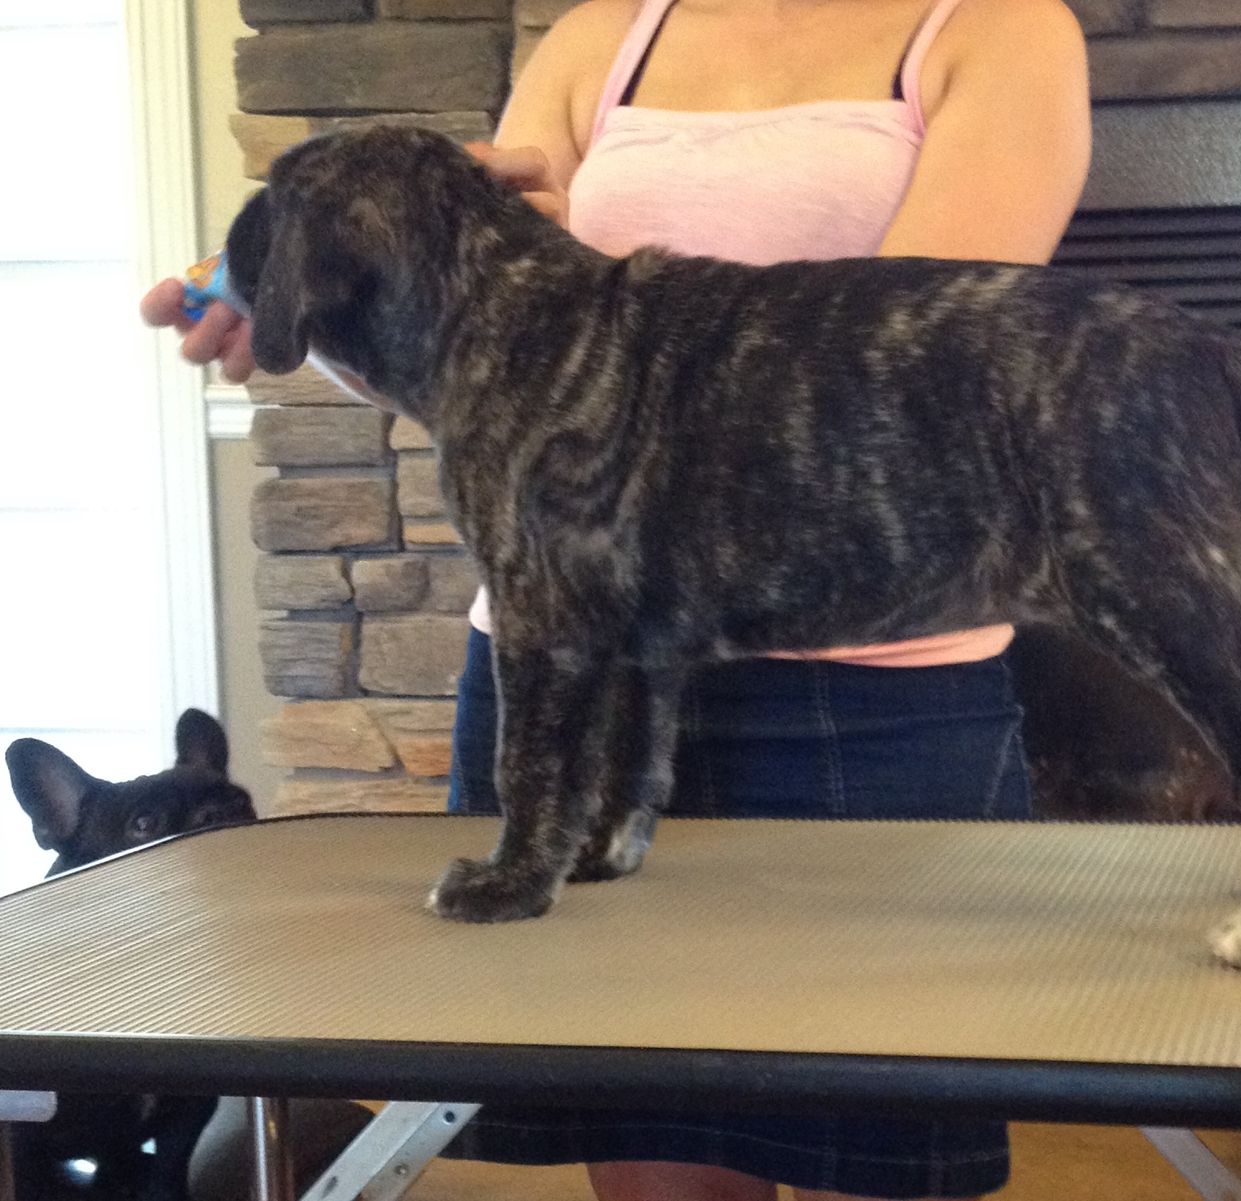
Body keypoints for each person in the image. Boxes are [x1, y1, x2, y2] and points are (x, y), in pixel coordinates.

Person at [144, 0, 1090, 1195]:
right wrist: (305, 297)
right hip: (575, 668)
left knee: (877, 1156)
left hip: (864, 700)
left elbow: (905, 366)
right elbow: (484, 362)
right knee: (650, 1168)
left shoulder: (995, 27)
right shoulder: (603, 35)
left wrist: (555, 331)